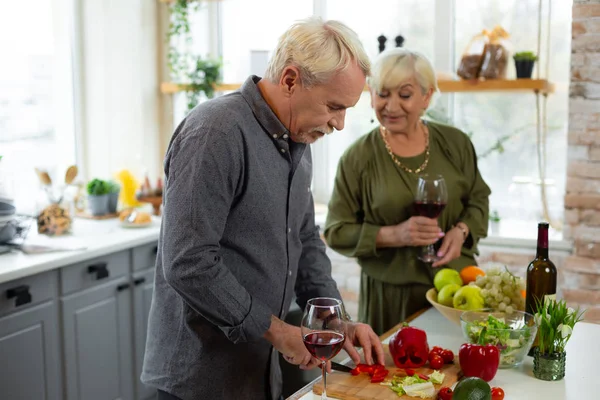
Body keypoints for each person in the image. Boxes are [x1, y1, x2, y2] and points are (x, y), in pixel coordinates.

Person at [141, 18, 385, 400]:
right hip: (199, 379)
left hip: (258, 372)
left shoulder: (298, 141)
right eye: (334, 106)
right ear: (290, 79)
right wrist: (278, 331)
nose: (339, 124)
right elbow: (187, 260)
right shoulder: (215, 132)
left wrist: (336, 322)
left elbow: (304, 239)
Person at [324, 48, 491, 336]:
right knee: (393, 379)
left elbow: (478, 200)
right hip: (390, 297)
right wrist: (394, 235)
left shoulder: (456, 143)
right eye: (382, 93)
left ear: (426, 97)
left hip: (456, 292)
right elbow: (336, 231)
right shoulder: (357, 157)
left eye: (404, 95)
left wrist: (460, 231)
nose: (390, 106)